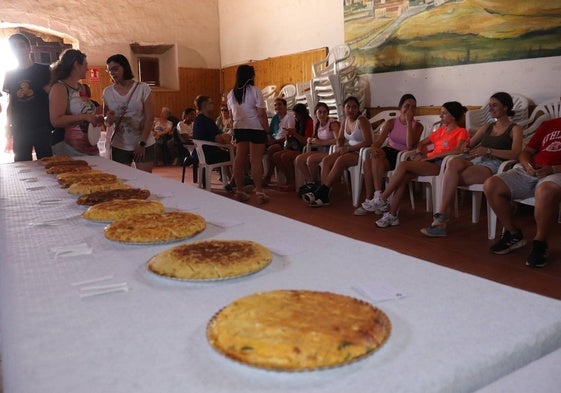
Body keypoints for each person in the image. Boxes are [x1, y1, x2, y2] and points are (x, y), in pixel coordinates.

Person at [421, 92, 523, 237]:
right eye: (490, 106)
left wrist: (488, 150)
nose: (491, 109)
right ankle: (442, 218)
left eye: (495, 105)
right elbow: (469, 143)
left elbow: (516, 153)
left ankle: (441, 220)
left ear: (506, 107)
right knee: (453, 163)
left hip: (495, 165)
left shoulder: (515, 129)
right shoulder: (488, 126)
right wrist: (464, 146)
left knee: (449, 177)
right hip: (477, 160)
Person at [371, 101, 469, 228]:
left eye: (444, 114)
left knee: (403, 165)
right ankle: (392, 215)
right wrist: (418, 152)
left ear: (453, 116)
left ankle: (382, 198)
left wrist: (434, 156)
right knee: (403, 176)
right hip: (429, 161)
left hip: (442, 165)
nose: (441, 117)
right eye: (441, 113)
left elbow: (459, 150)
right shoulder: (441, 130)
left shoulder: (461, 132)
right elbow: (422, 143)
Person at [483, 117, 561, 268]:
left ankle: (540, 243)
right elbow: (527, 151)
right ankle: (513, 234)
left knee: (545, 191)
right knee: (491, 185)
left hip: (556, 172)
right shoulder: (549, 124)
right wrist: (527, 165)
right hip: (531, 169)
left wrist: (553, 169)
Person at [354, 94, 423, 215]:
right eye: (407, 106)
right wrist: (374, 147)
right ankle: (372, 199)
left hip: (402, 155)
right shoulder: (391, 122)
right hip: (388, 151)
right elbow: (378, 142)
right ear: (400, 107)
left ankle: (378, 199)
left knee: (375, 160)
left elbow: (410, 145)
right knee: (367, 162)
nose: (410, 109)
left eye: (413, 107)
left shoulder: (417, 126)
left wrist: (408, 123)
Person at [303, 96, 372, 207]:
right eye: (348, 107)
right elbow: (339, 139)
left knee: (340, 161)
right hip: (348, 150)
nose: (351, 110)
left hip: (361, 152)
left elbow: (368, 141)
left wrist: (348, 149)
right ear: (343, 109)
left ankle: (322, 193)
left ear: (358, 109)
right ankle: (324, 195)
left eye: (354, 107)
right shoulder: (344, 121)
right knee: (326, 160)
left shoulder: (361, 120)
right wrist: (340, 146)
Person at [2, 33, 52, 161]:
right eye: (14, 47)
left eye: (21, 45)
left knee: (46, 163)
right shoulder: (10, 74)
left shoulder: (44, 70)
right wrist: (8, 125)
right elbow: (11, 102)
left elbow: (52, 96)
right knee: (21, 163)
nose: (18, 49)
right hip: (20, 127)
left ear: (29, 48)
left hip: (41, 125)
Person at [102, 54, 155, 172]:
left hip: (143, 142)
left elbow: (150, 117)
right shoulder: (107, 92)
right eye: (109, 71)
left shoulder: (143, 88)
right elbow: (105, 120)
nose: (112, 73)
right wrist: (107, 119)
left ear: (125, 67)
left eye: (115, 69)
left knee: (145, 181)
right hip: (119, 144)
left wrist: (142, 143)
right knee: (123, 182)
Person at [227, 64, 270, 204]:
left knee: (239, 159)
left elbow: (231, 116)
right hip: (255, 128)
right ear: (251, 76)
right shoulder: (255, 91)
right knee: (256, 160)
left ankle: (239, 190)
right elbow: (261, 114)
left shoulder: (231, 94)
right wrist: (267, 130)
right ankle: (259, 192)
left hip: (239, 127)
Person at [49, 49, 103, 156]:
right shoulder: (59, 88)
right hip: (68, 146)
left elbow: (87, 112)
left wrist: (100, 116)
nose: (87, 69)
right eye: (85, 65)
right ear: (76, 65)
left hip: (89, 144)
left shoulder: (82, 88)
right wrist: (85, 117)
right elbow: (56, 120)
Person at [295, 102, 339, 190]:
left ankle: (316, 183)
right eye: (320, 112)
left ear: (328, 113)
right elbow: (314, 137)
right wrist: (310, 139)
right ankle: (311, 181)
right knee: (299, 159)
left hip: (332, 151)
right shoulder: (316, 123)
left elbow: (338, 140)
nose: (322, 114)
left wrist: (322, 142)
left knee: (311, 159)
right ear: (316, 114)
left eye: (324, 112)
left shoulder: (332, 123)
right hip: (321, 150)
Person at [192, 95, 233, 188]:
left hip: (201, 154)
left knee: (226, 151)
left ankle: (229, 180)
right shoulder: (208, 121)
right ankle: (236, 181)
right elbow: (220, 139)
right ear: (205, 106)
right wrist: (228, 137)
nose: (213, 105)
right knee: (235, 155)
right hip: (210, 155)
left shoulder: (198, 120)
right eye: (211, 103)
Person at [272, 103, 314, 190]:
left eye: (296, 115)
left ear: (301, 114)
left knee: (285, 157)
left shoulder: (309, 122)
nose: (295, 117)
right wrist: (289, 135)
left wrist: (294, 134)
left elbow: (305, 141)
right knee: (276, 156)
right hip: (295, 147)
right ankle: (288, 178)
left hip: (304, 148)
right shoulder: (298, 122)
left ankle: (293, 181)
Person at [262, 97, 296, 186]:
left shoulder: (289, 117)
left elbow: (290, 135)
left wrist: (274, 142)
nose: (277, 107)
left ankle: (268, 176)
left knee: (273, 148)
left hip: (285, 142)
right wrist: (270, 139)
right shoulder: (275, 118)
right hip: (275, 141)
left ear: (285, 106)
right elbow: (270, 132)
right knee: (258, 147)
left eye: (279, 104)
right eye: (275, 105)